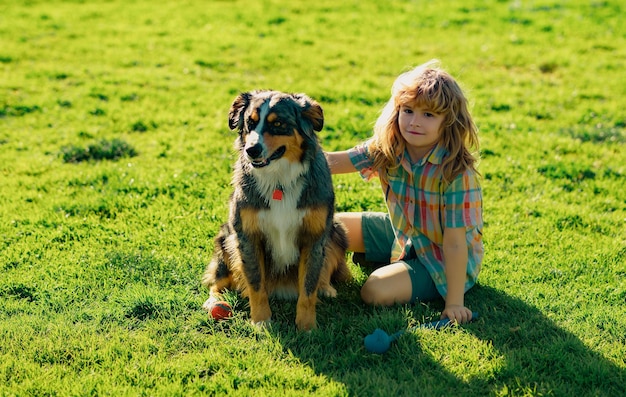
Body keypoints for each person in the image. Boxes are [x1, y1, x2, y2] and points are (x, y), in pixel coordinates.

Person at [326, 60, 483, 324]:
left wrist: (454, 303)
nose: (414, 122)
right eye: (408, 110)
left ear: (448, 121)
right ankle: (381, 259)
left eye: (428, 115)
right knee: (327, 227)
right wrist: (283, 155)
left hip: (442, 260)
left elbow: (456, 243)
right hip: (403, 234)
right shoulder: (389, 148)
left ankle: (389, 268)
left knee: (374, 290)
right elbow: (332, 162)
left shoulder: (457, 173)